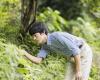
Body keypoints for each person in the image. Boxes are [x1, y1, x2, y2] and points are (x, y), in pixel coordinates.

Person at [23, 22, 93, 80]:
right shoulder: (45, 46)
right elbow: (38, 60)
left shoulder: (56, 37)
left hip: (83, 52)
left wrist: (78, 71)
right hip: (72, 57)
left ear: (43, 33)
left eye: (35, 35)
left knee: (80, 78)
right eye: (32, 37)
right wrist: (24, 53)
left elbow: (76, 51)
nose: (34, 38)